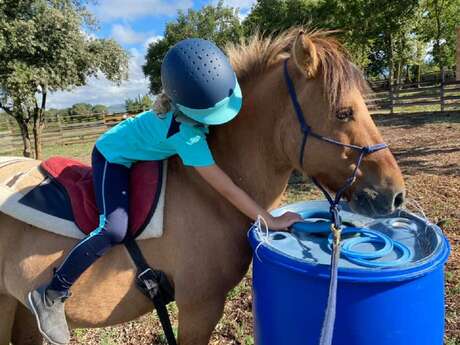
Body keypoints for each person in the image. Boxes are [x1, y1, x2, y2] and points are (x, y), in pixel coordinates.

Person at [27, 38, 302, 345]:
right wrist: (268, 218)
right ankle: (51, 293)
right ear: (189, 108)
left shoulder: (189, 106)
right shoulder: (184, 133)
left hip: (142, 147)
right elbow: (224, 186)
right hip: (113, 155)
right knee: (114, 229)